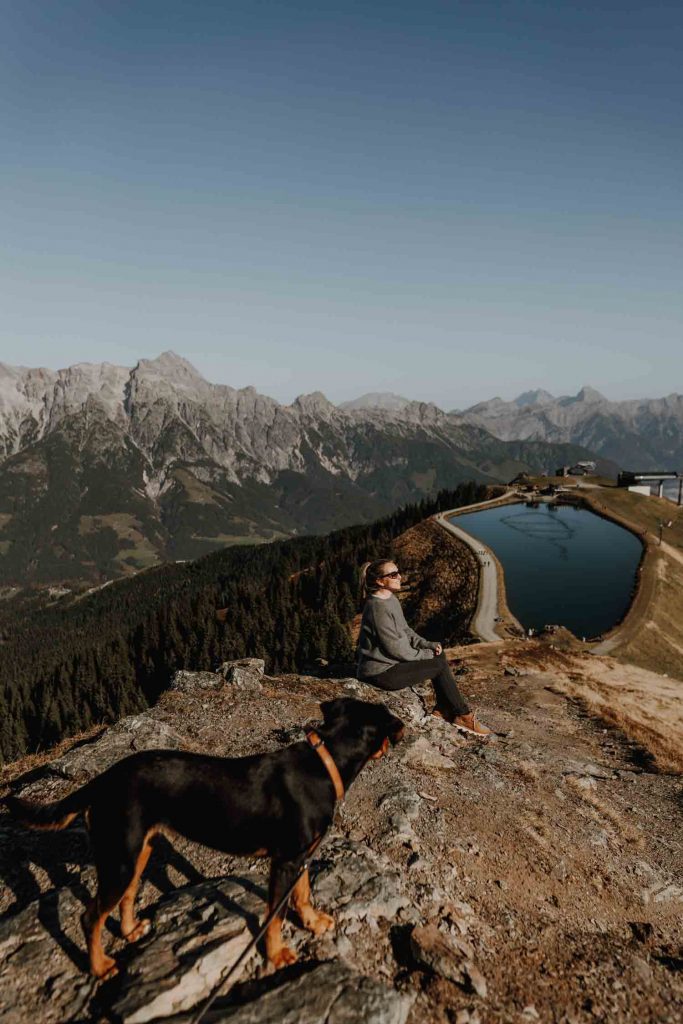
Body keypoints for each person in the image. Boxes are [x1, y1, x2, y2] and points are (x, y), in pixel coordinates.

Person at [355, 558, 492, 737]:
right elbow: (395, 649)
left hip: (391, 664)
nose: (400, 577)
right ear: (380, 581)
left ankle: (443, 709)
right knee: (439, 665)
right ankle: (463, 715)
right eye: (393, 574)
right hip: (380, 673)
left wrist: (427, 645)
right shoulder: (377, 608)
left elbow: (405, 630)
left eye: (398, 572)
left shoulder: (390, 600)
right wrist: (423, 653)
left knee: (439, 657)